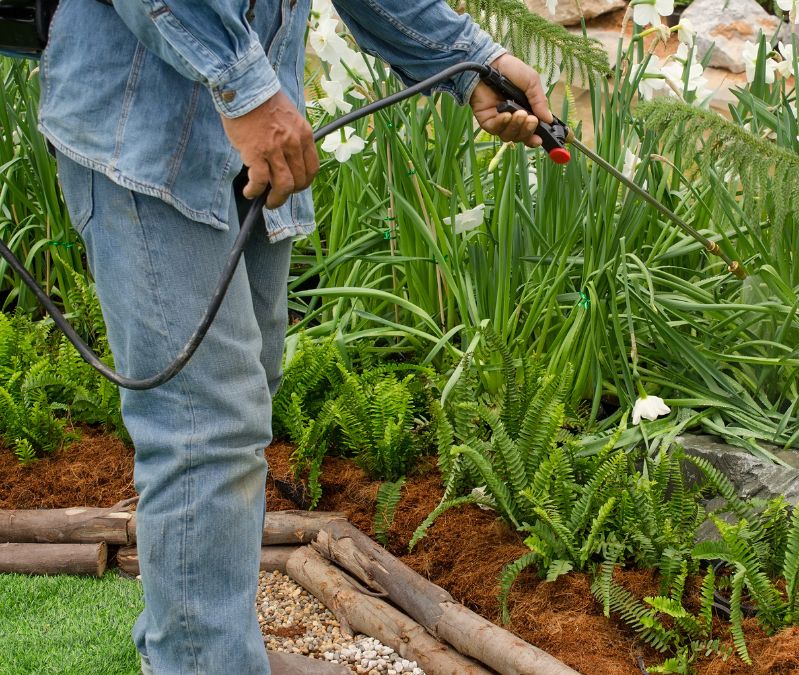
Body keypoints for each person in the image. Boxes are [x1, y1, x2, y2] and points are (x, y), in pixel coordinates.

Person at [36, 0, 551, 672]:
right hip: (144, 129)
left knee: (240, 409)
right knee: (204, 426)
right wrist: (246, 91)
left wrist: (474, 61)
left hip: (258, 144)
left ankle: (204, 653)